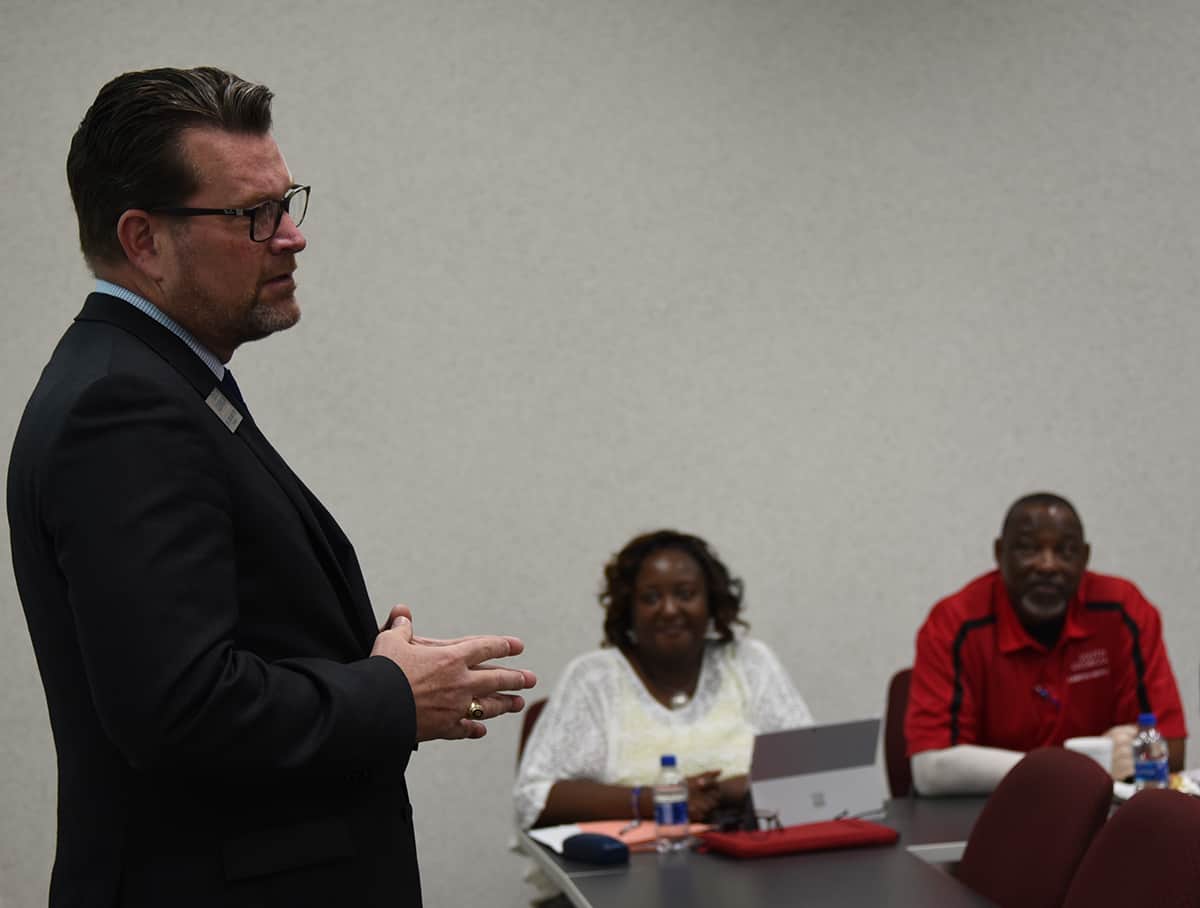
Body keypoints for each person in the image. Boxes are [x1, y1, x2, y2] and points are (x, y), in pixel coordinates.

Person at [7, 67, 535, 908]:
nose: (292, 236)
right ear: (143, 240)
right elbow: (179, 707)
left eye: (288, 203)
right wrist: (388, 693)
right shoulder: (123, 406)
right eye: (254, 215)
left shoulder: (160, 378)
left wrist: (367, 665)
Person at [514, 529, 813, 831]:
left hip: (754, 854)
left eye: (685, 594)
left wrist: (720, 793)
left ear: (711, 602)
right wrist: (659, 800)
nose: (669, 610)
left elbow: (810, 768)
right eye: (651, 598)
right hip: (627, 867)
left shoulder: (750, 662)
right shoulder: (594, 678)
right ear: (628, 609)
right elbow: (534, 797)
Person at [905, 492, 1187, 796]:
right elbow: (931, 770)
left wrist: (1124, 755)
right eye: (1028, 549)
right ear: (1000, 553)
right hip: (985, 816)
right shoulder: (955, 622)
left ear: (1085, 557)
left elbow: (1169, 747)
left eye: (1065, 551)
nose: (1047, 565)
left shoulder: (1123, 610)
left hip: (1098, 816)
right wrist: (1082, 766)